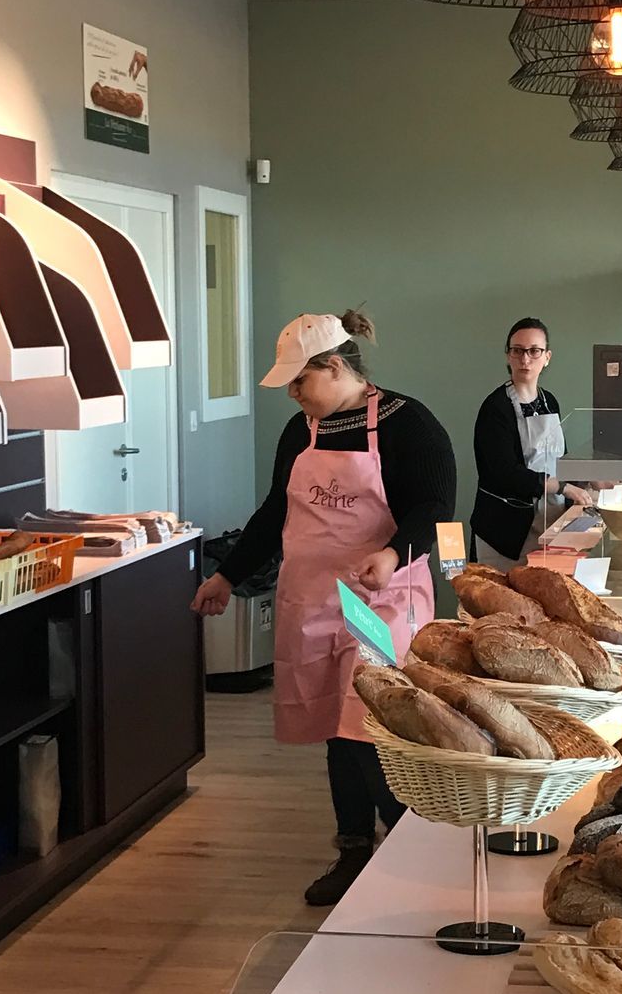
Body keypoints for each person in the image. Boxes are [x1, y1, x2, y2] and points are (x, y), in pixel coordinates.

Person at [193, 308, 455, 906]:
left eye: (299, 381)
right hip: (313, 599)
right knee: (335, 731)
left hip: (379, 600)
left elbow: (436, 507)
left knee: (371, 724)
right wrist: (226, 577)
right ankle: (353, 851)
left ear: (335, 368)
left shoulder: (409, 424)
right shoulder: (301, 431)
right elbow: (274, 514)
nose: (292, 394)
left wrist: (392, 554)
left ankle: (406, 847)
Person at [469, 316, 591, 569]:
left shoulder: (550, 401)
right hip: (505, 532)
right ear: (508, 356)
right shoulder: (496, 408)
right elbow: (505, 474)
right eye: (517, 351)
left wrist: (589, 479)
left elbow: (560, 457)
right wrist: (563, 487)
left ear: (547, 357)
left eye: (534, 351)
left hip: (548, 522)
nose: (525, 359)